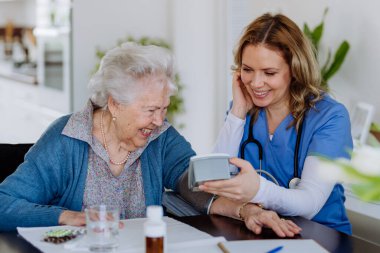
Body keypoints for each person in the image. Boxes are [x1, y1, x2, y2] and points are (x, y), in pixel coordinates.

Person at [0, 42, 299, 237]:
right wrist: (68, 216)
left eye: (164, 109)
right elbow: (4, 204)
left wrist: (248, 210)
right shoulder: (66, 138)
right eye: (151, 110)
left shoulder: (160, 137)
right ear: (115, 104)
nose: (159, 121)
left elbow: (195, 185)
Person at [199, 13, 353, 235]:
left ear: (295, 69)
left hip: (319, 236)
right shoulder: (244, 112)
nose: (256, 83)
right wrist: (237, 113)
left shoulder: (330, 117)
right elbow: (214, 180)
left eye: (269, 72)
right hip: (256, 231)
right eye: (247, 70)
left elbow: (310, 203)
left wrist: (257, 190)